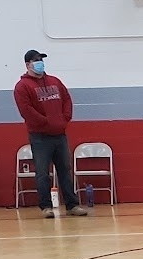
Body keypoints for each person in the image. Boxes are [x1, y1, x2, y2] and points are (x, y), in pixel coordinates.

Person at [12, 50, 88, 218]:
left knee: (65, 171)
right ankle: (46, 207)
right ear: (28, 65)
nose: (40, 62)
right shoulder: (22, 87)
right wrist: (46, 122)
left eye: (41, 60)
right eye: (36, 60)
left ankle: (72, 205)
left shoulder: (55, 81)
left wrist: (65, 117)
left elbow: (67, 99)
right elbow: (26, 111)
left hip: (60, 135)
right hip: (40, 137)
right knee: (42, 174)